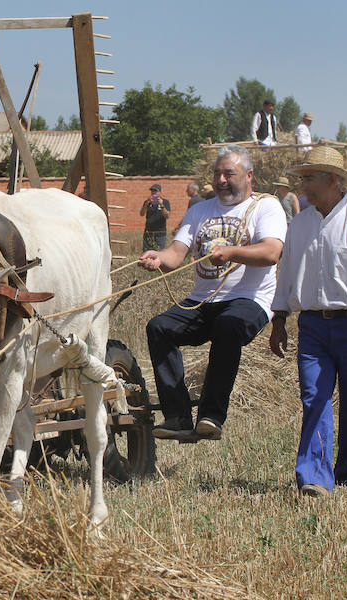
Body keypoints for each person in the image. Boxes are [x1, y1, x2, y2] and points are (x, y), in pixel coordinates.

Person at [269, 146, 347, 497]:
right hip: (312, 327)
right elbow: (288, 275)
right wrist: (279, 319)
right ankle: (314, 477)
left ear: (333, 179)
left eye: (309, 178)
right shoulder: (300, 225)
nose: (303, 185)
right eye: (303, 178)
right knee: (315, 397)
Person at [139, 145, 286, 442]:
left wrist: (232, 252)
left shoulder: (266, 207)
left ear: (249, 175)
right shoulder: (199, 211)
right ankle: (178, 417)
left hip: (250, 299)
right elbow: (176, 254)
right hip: (203, 300)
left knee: (228, 326)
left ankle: (211, 415)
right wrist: (158, 258)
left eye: (228, 173)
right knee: (160, 327)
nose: (220, 180)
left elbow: (271, 252)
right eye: (217, 173)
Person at [140, 184, 171, 250]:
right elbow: (142, 214)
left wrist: (161, 205)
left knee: (159, 253)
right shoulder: (147, 202)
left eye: (155, 191)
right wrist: (146, 203)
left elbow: (167, 216)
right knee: (147, 253)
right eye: (152, 191)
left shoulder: (165, 202)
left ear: (160, 192)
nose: (153, 193)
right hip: (148, 233)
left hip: (160, 234)